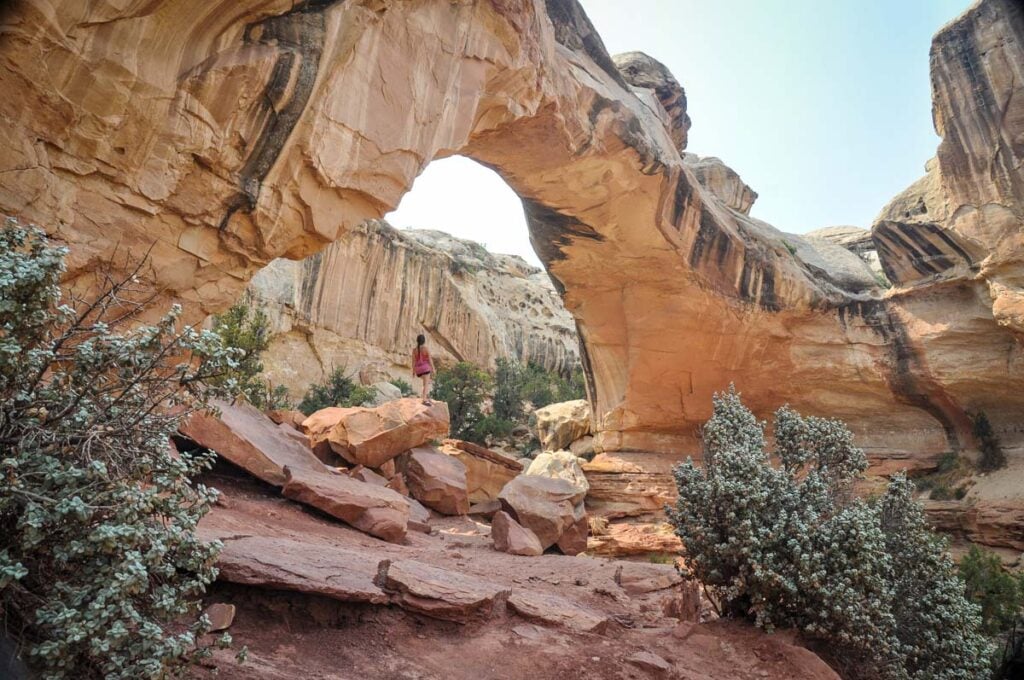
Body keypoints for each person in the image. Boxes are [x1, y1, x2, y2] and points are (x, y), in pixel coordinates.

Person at [411, 334, 434, 405]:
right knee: (426, 384)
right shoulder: (425, 349)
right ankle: (424, 399)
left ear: (417, 341)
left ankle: (424, 396)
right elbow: (430, 360)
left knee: (424, 382)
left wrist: (414, 371)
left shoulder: (414, 350)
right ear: (424, 341)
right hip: (425, 369)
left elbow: (413, 362)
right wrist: (433, 369)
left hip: (418, 370)